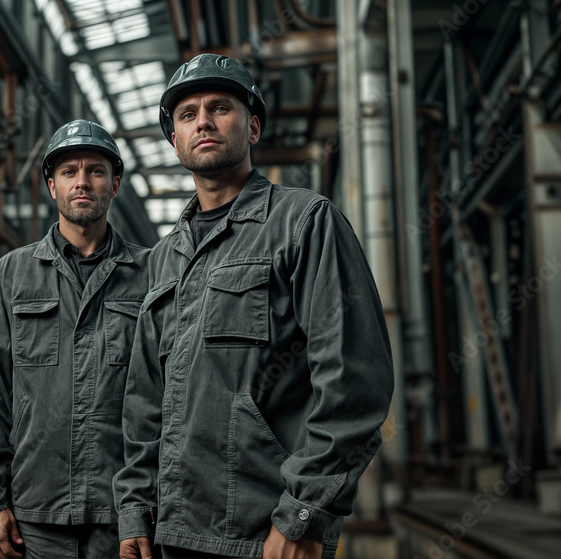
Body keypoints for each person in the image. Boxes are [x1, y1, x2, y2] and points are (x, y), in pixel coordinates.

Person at [114, 53, 395, 559]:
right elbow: (143, 403)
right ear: (174, 140)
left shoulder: (305, 223)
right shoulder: (162, 260)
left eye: (220, 107)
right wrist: (134, 507)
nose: (202, 121)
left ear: (253, 126)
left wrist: (303, 516)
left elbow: (355, 381)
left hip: (267, 533)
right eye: (186, 114)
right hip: (172, 532)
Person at [0, 120, 150, 559]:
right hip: (34, 517)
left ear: (115, 183)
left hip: (121, 517)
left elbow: (164, 400)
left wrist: (143, 506)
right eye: (68, 171)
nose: (82, 181)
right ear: (52, 185)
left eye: (96, 170)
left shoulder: (150, 273)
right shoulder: (12, 274)